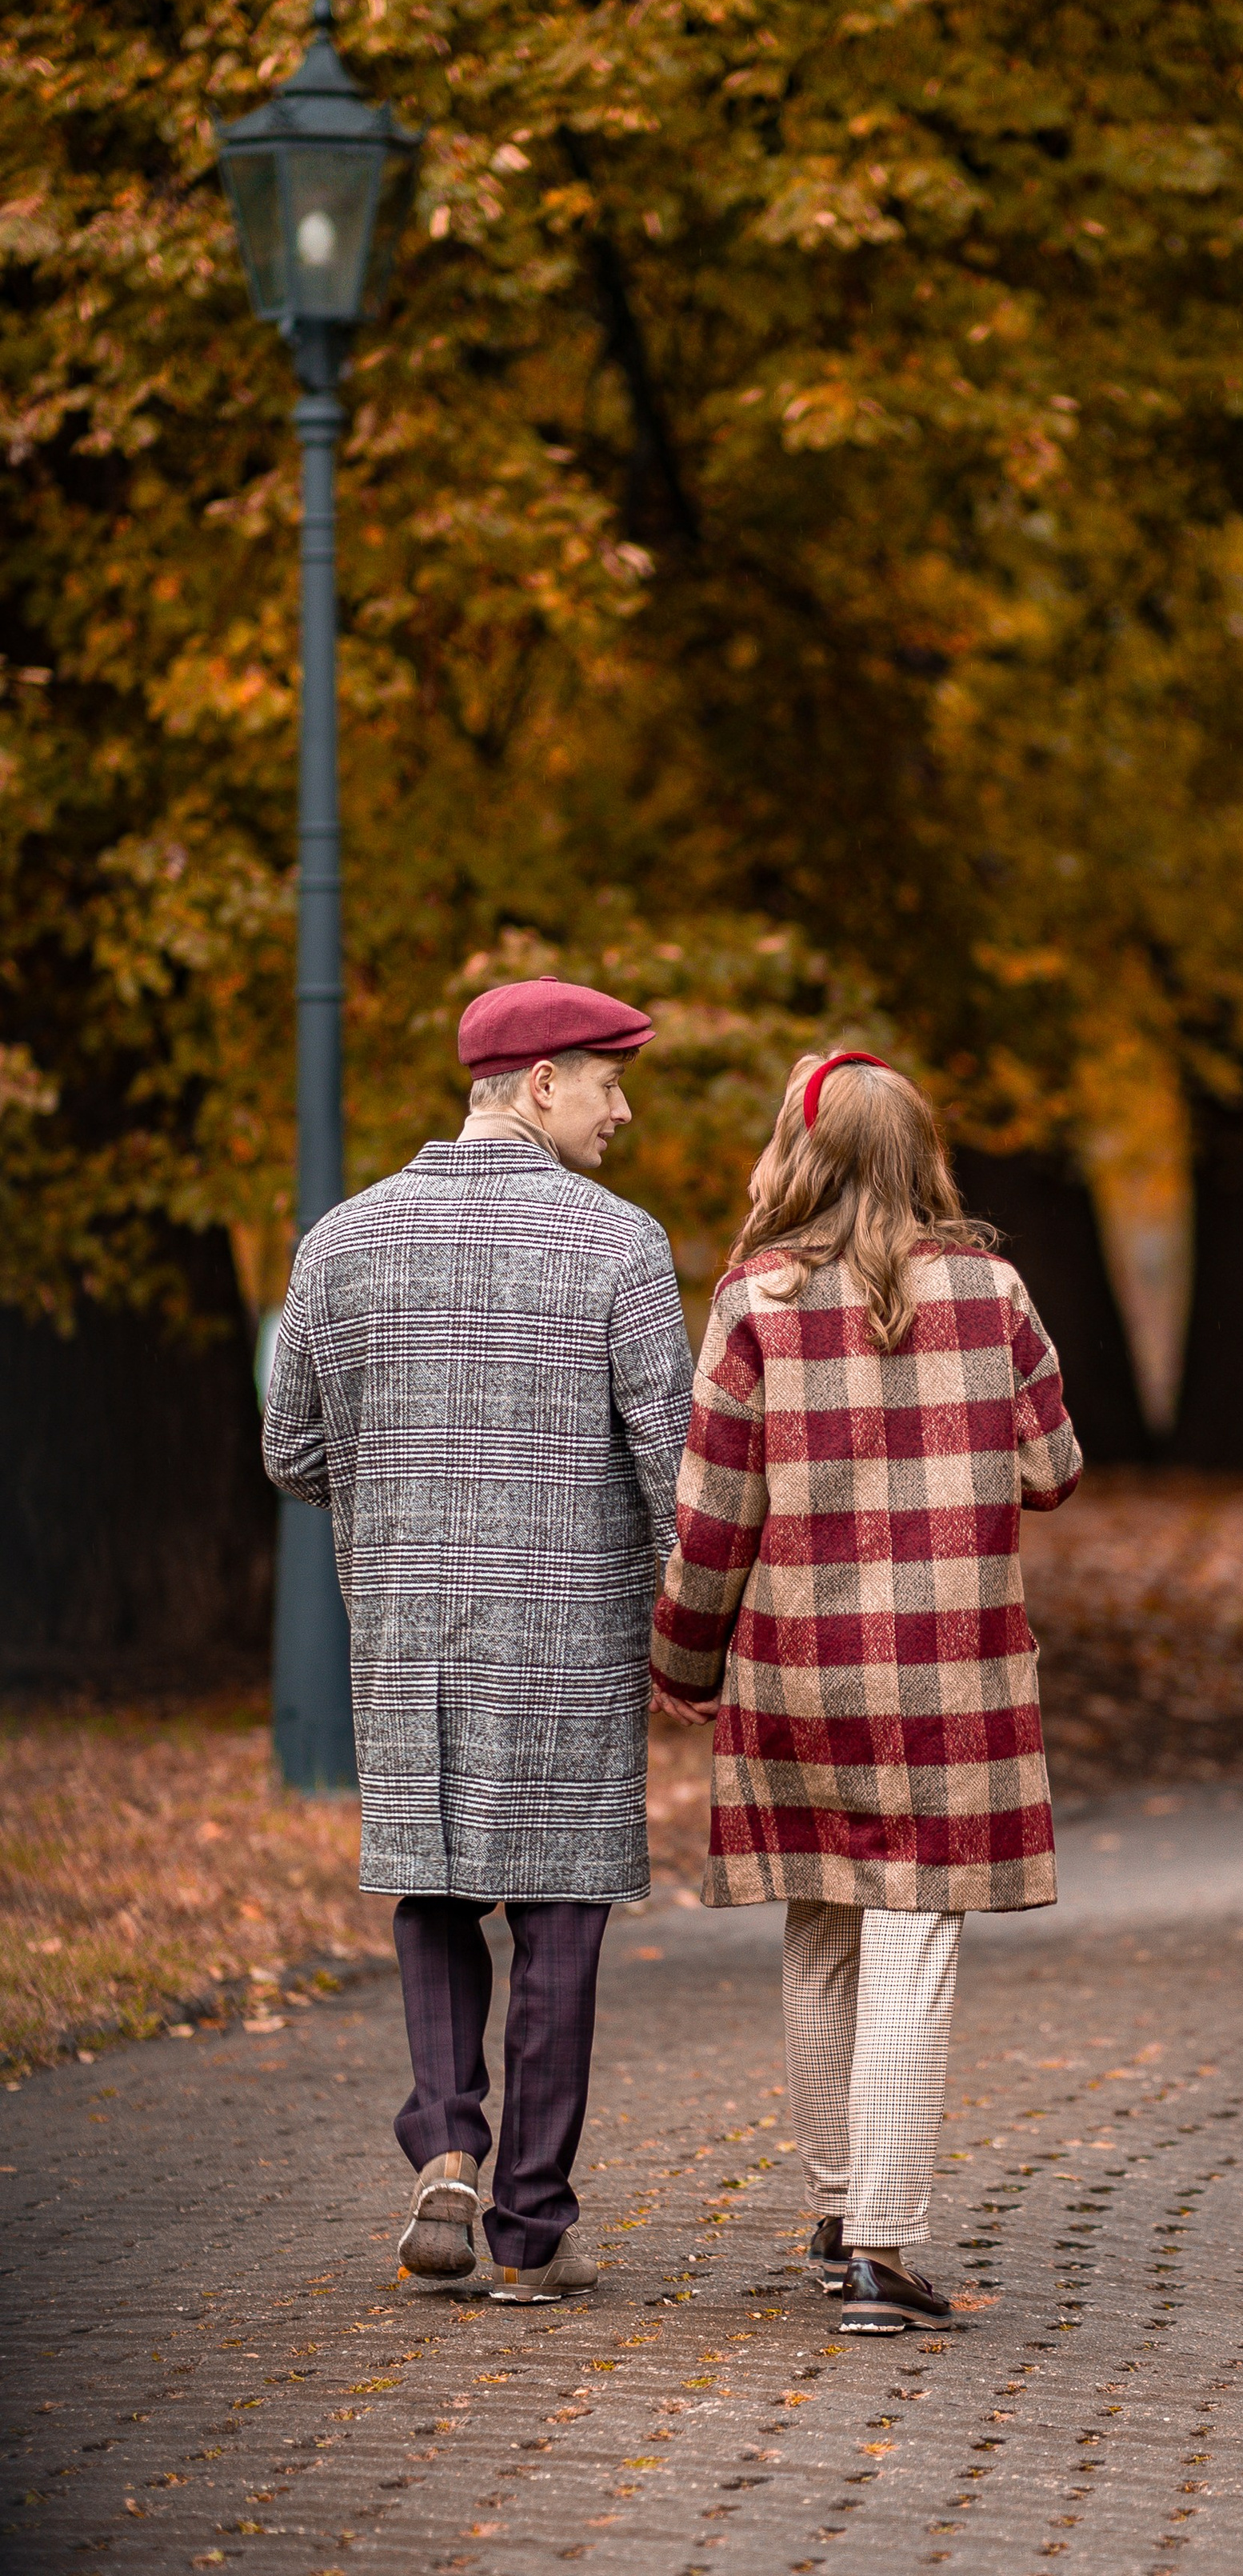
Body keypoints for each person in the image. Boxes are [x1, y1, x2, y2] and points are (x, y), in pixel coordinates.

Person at [263, 976, 694, 2304]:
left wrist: (403, 1496)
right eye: (608, 1081)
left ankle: (447, 2141)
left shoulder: (339, 1242)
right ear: (541, 1082)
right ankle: (528, 2231)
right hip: (568, 1625)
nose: (622, 1109)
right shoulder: (622, 1245)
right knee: (560, 1912)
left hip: (406, 1623)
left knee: (435, 1887)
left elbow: (289, 1450)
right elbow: (674, 1459)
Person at [649, 1048, 1081, 2333]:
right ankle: (885, 2244)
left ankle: (841, 2211)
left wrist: (681, 1659)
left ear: (803, 1155)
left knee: (823, 1934)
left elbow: (711, 1512)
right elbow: (1052, 1466)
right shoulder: (994, 1291)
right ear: (921, 1155)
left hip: (797, 1675)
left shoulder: (756, 1302)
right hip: (949, 1677)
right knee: (914, 1941)